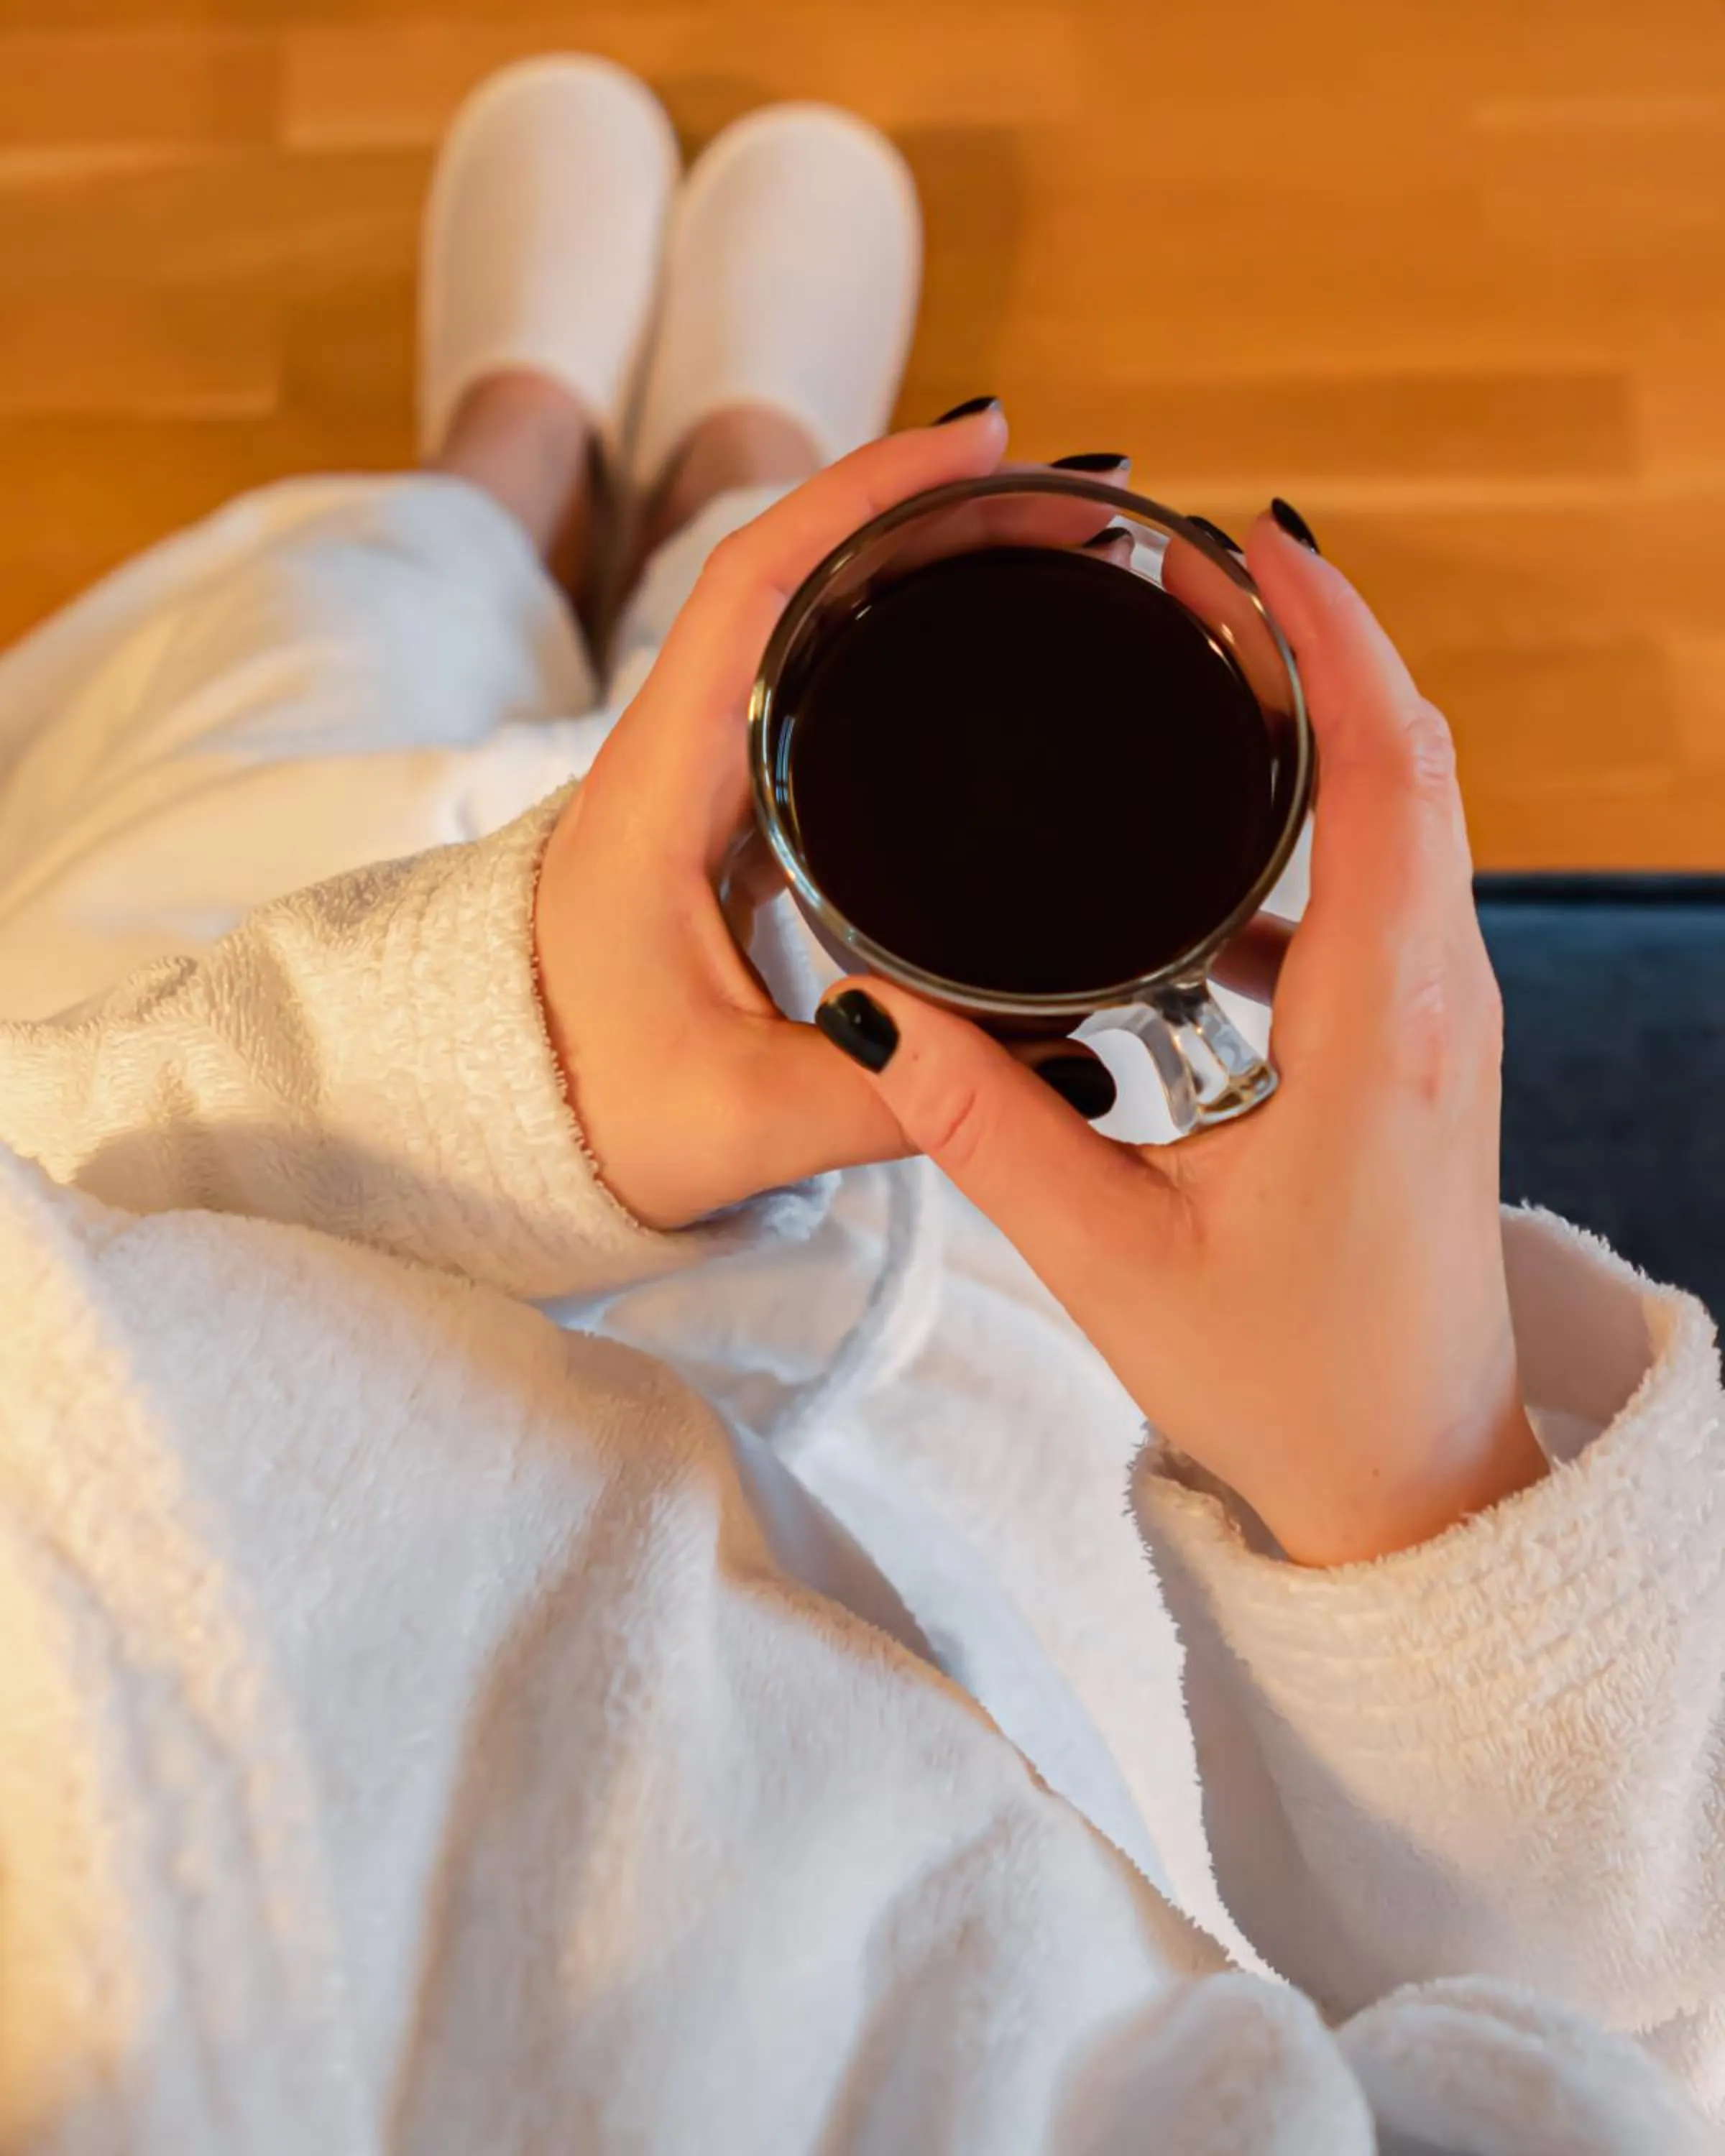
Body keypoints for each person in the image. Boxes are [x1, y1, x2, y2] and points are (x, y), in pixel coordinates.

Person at [0, 55, 1719, 2156]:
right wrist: (1414, 1501)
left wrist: (499, 1057)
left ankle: (507, 461)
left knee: (315, 648)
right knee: (705, 646)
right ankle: (716, 472)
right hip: (1006, 1495)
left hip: (240, 1108)